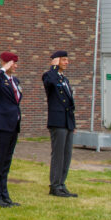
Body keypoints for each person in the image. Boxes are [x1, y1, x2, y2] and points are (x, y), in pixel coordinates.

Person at [0, 51, 22, 208]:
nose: (15, 65)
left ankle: (5, 194)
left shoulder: (14, 80)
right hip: (2, 125)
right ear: (5, 63)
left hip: (13, 124)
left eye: (15, 63)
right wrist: (3, 68)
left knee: (7, 161)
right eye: (12, 62)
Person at [42, 50, 78, 198]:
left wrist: (73, 124)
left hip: (67, 121)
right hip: (57, 121)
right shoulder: (50, 76)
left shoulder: (65, 79)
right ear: (56, 61)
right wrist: (54, 67)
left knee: (67, 154)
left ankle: (62, 184)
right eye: (63, 60)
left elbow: (70, 103)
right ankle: (55, 185)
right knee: (58, 154)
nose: (66, 62)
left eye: (66, 60)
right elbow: (49, 81)